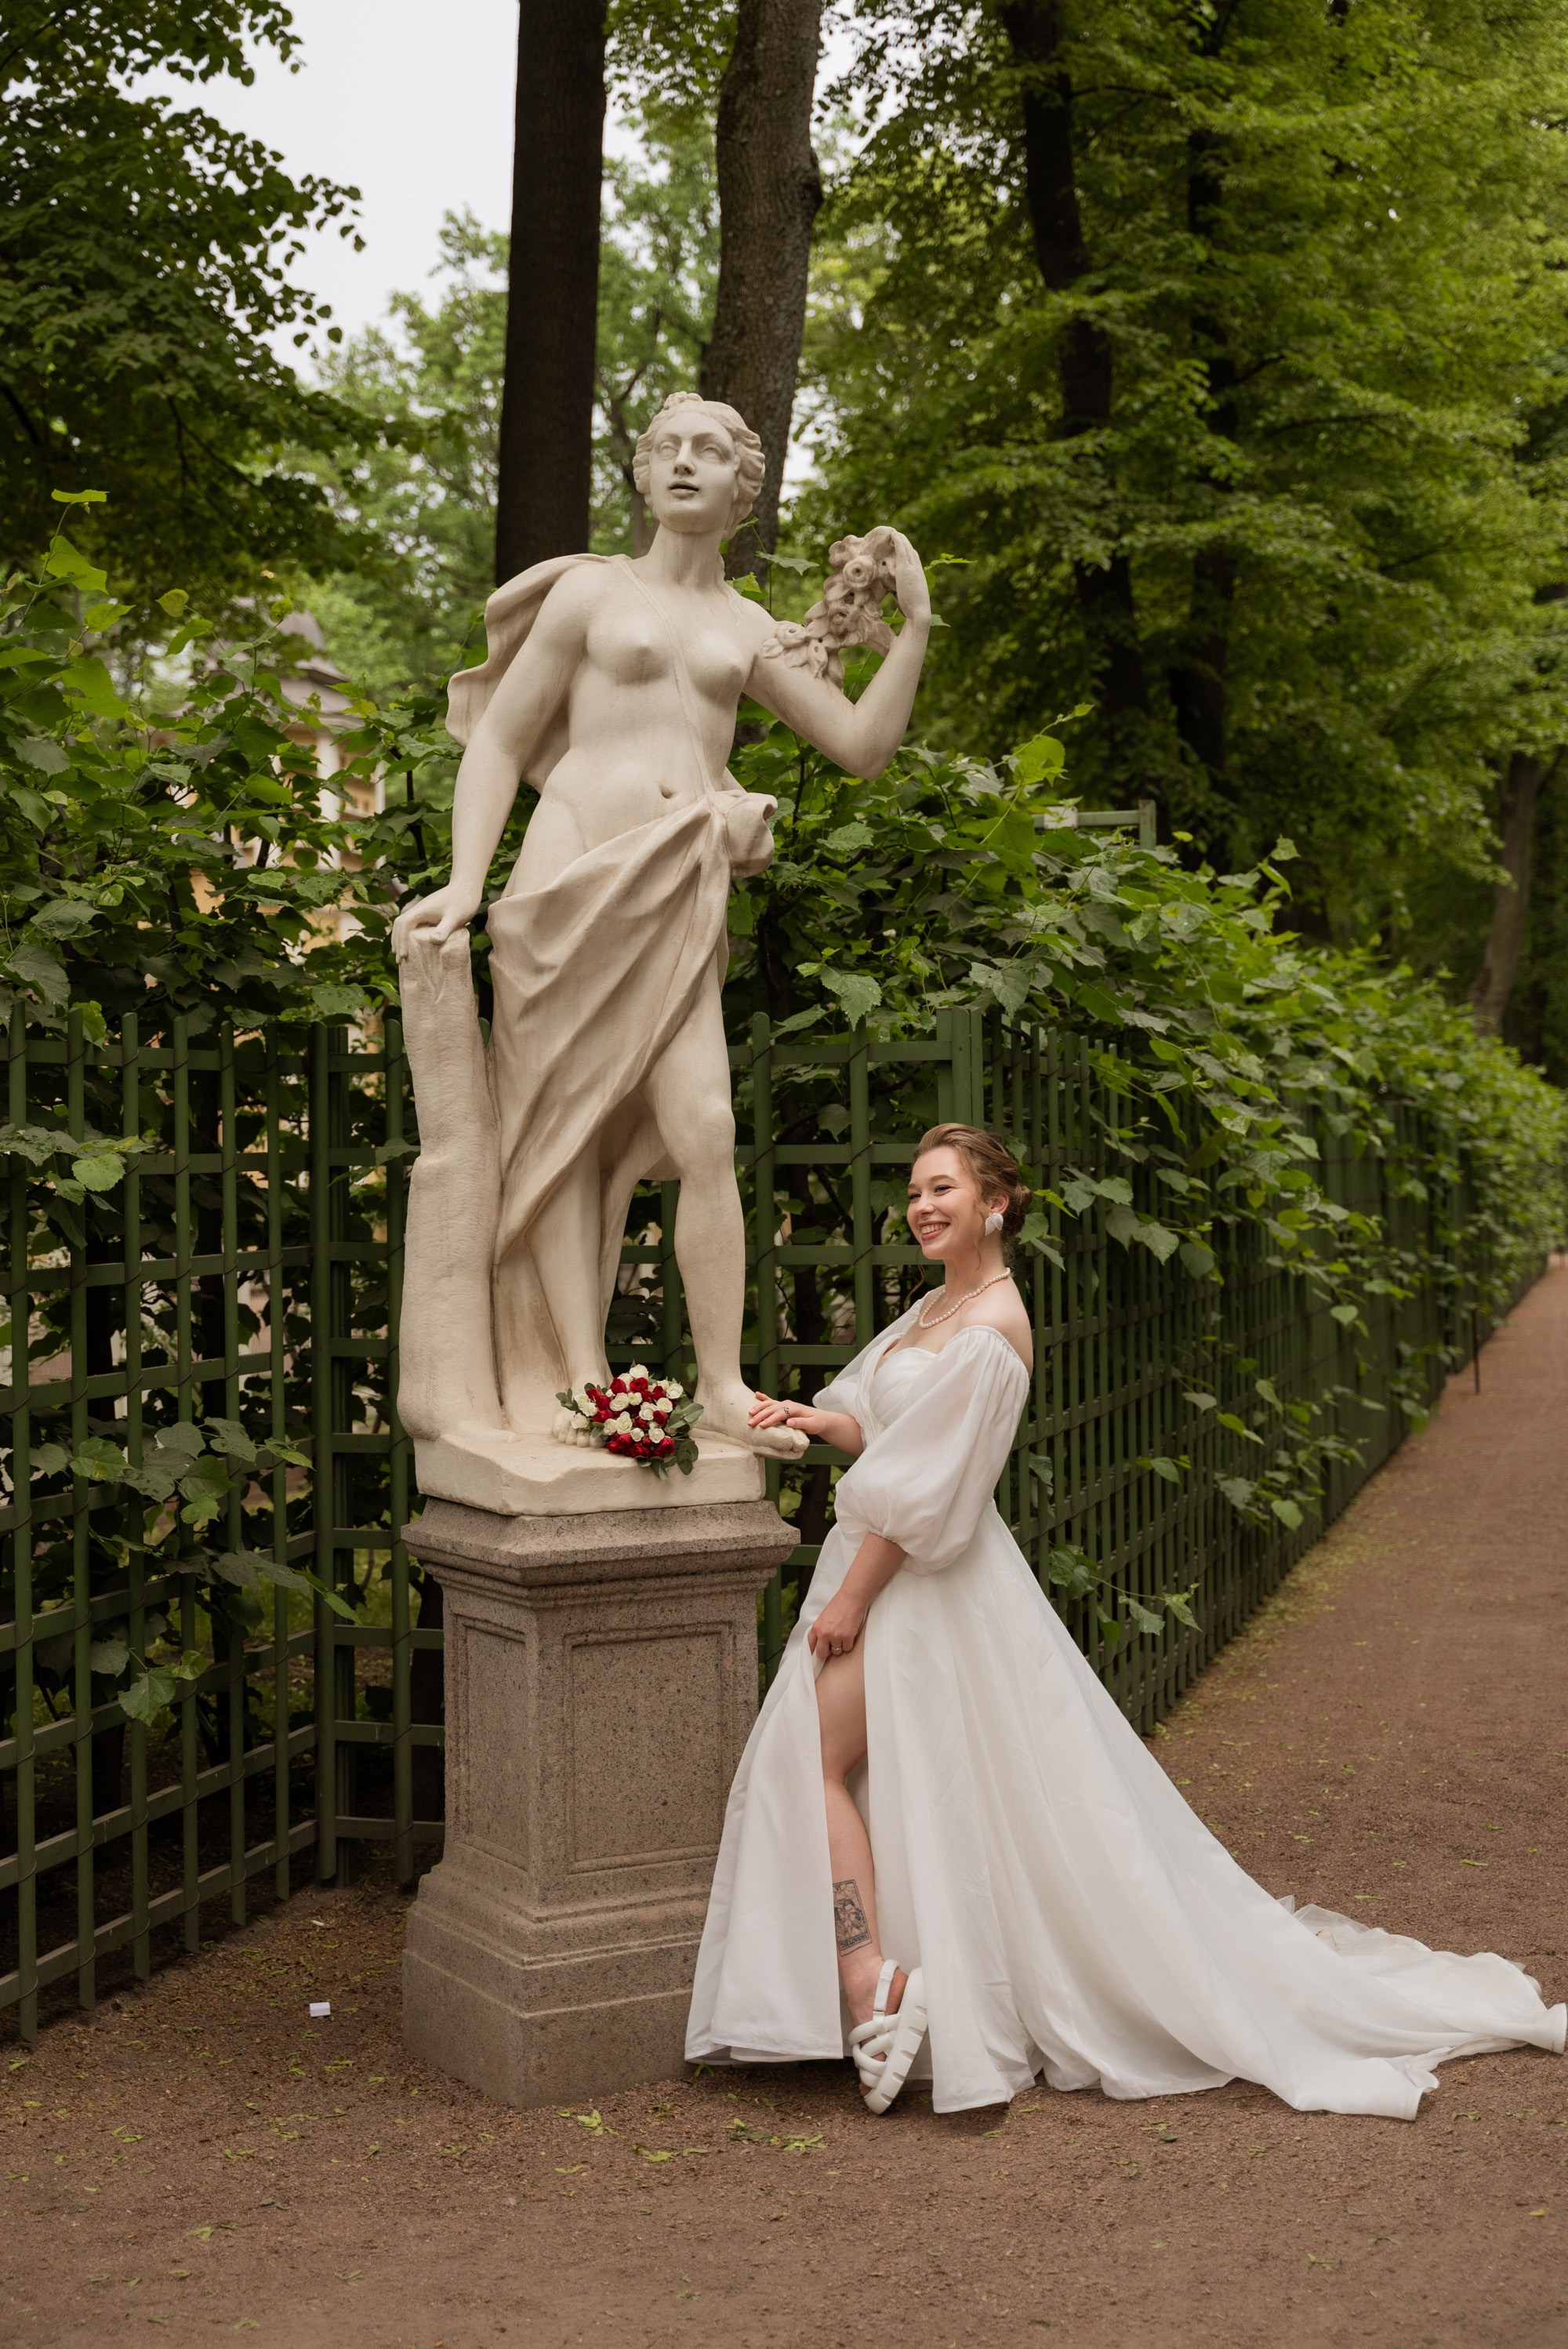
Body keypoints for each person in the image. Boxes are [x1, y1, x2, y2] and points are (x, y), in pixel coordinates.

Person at [685, 1123, 1566, 2117]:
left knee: (814, 1762)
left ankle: (872, 1982)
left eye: (942, 1188)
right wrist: (809, 1419)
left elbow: (930, 1490)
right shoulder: (934, 1305)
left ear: (995, 1204)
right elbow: (875, 1429)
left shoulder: (990, 1329)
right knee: (887, 1770)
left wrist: (850, 1596)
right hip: (893, 1575)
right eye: (915, 1191)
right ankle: (883, 1981)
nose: (921, 1206)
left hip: (913, 1580)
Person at [390, 392, 931, 1453]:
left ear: (745, 488)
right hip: (568, 882)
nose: (686, 464)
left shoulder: (750, 629)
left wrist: (915, 629)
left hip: (680, 894)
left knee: (706, 1130)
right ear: (641, 477)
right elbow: (499, 742)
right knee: (563, 1134)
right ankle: (583, 1383)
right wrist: (465, 883)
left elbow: (861, 747)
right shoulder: (590, 595)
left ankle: (722, 1383)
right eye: (667, 450)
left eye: (712, 452)